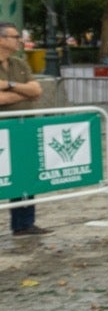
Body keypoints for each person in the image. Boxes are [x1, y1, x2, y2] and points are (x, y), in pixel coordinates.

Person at [0, 23, 47, 236]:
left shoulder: (19, 63)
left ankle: (24, 223)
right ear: (1, 39)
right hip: (3, 128)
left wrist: (8, 86)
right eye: (14, 36)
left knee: (26, 175)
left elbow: (36, 91)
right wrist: (23, 93)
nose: (19, 39)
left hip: (25, 127)